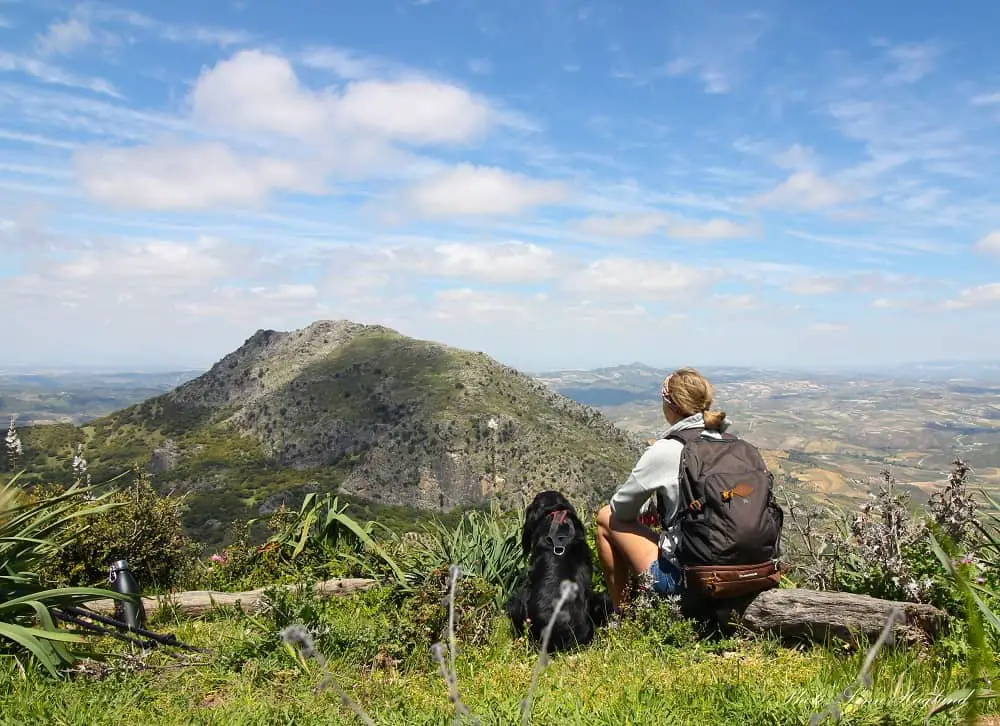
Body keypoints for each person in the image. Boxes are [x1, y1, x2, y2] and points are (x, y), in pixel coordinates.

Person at [595, 367, 729, 608]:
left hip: (689, 579)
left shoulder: (667, 450)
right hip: (745, 570)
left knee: (606, 517)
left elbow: (621, 510)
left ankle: (622, 616)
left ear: (672, 405)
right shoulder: (730, 442)